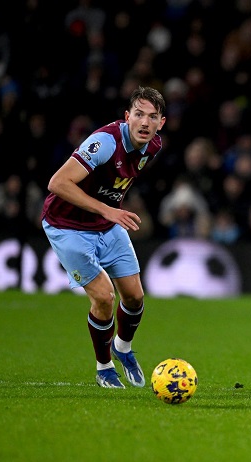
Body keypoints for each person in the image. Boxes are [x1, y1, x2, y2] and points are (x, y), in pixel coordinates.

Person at [41, 86, 166, 389]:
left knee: (135, 296)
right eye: (138, 115)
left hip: (106, 225)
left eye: (152, 117)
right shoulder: (105, 142)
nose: (145, 123)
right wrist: (108, 210)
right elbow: (57, 183)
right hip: (67, 226)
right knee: (104, 297)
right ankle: (103, 367)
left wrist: (110, 211)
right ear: (127, 117)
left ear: (161, 123)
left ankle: (122, 348)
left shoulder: (153, 146)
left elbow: (116, 182)